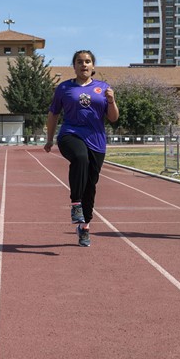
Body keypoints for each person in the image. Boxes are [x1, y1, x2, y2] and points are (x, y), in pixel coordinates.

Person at [43, 50, 119, 247]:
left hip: (96, 140)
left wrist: (111, 101)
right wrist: (50, 139)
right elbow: (53, 114)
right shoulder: (64, 88)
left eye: (87, 61)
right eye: (79, 61)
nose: (84, 64)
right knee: (80, 157)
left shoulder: (103, 88)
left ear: (93, 66)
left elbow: (113, 118)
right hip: (71, 134)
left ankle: (84, 226)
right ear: (74, 66)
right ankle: (76, 203)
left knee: (90, 185)